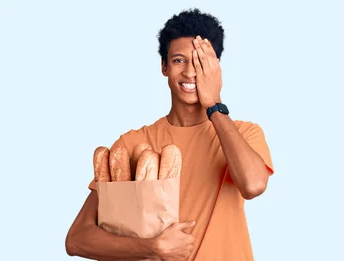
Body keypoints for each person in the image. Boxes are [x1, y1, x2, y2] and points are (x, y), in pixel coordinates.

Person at [65, 8, 274, 261]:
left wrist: (215, 104)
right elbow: (77, 239)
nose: (189, 73)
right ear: (164, 66)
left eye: (200, 62)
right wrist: (152, 247)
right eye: (179, 60)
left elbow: (253, 185)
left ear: (215, 68)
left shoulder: (243, 133)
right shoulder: (132, 145)